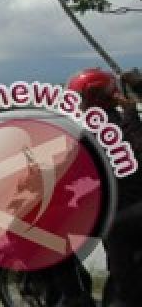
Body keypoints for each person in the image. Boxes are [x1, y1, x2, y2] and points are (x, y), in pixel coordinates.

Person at [66, 68, 142, 307]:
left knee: (115, 230)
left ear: (91, 97)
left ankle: (126, 298)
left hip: (130, 208)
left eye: (79, 98)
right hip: (129, 202)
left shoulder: (104, 128)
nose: (77, 104)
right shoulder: (114, 121)